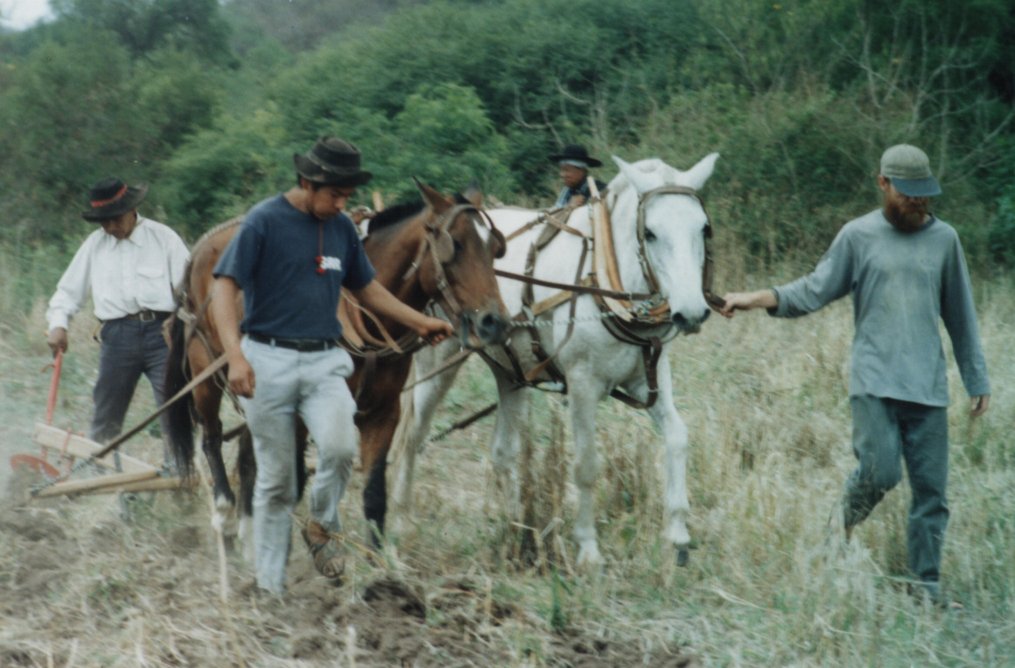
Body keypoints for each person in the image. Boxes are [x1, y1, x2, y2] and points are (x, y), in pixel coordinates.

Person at [719, 144, 990, 607]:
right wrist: (756, 297)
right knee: (880, 472)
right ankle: (838, 530)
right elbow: (813, 290)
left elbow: (960, 313)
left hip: (927, 387)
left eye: (925, 195)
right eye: (909, 195)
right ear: (883, 183)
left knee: (932, 494)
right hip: (874, 383)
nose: (919, 203)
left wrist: (976, 378)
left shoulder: (946, 240)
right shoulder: (858, 236)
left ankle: (926, 588)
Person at [211, 136, 454, 595]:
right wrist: (236, 356)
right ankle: (270, 586)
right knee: (277, 481)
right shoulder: (265, 221)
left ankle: (321, 523)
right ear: (307, 182)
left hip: (325, 359)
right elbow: (225, 288)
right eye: (335, 195)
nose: (343, 204)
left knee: (341, 449)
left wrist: (421, 321)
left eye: (347, 195)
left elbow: (367, 288)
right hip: (268, 358)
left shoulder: (341, 228)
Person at [46, 178, 190, 457]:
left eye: (114, 220)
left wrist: (180, 321)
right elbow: (67, 292)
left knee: (175, 406)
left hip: (164, 335)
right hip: (117, 337)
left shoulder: (163, 238)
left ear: (131, 210)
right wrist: (58, 324)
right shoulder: (95, 245)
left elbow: (190, 290)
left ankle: (180, 476)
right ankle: (97, 475)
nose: (110, 228)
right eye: (104, 222)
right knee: (106, 412)